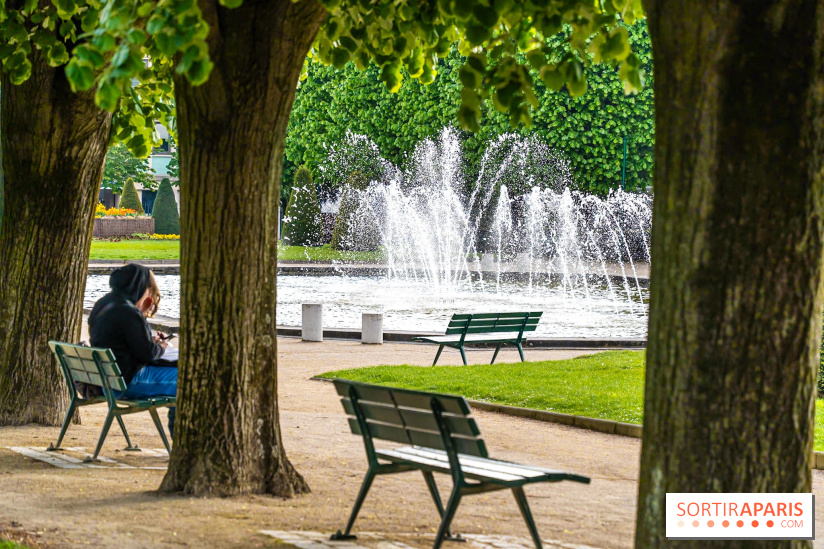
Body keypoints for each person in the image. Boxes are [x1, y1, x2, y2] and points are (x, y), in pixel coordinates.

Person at [88, 263, 177, 437]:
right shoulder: (128, 312)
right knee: (190, 381)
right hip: (128, 382)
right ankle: (182, 439)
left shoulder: (104, 304)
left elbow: (120, 340)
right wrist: (161, 346)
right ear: (140, 286)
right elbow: (147, 354)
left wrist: (143, 325)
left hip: (109, 381)